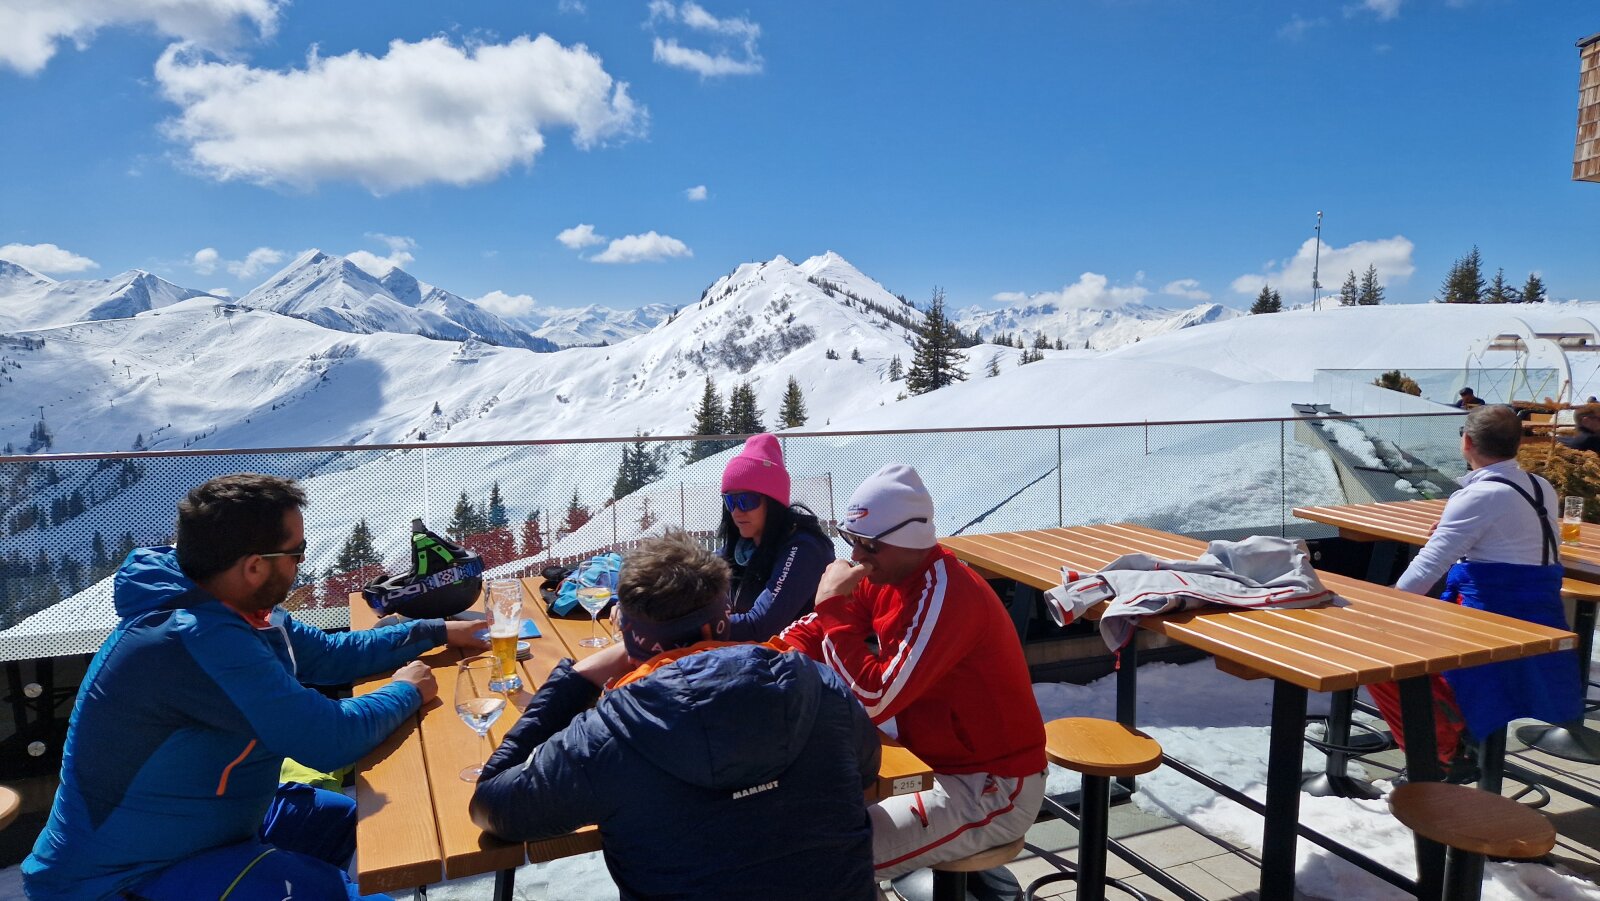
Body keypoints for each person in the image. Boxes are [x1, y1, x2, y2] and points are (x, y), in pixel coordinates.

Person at [23, 473, 487, 901]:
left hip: (211, 828)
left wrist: (435, 631)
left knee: (364, 819)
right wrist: (407, 689)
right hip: (123, 876)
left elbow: (327, 655)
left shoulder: (228, 604)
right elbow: (328, 740)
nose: (301, 566)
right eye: (297, 554)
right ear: (253, 568)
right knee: (328, 889)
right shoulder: (196, 638)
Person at [471, 528, 880, 901]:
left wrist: (578, 678)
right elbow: (866, 768)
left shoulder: (608, 735)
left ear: (630, 639)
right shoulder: (816, 686)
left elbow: (492, 806)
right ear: (720, 623)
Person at [779, 464, 1047, 880]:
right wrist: (765, 662)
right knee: (795, 822)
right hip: (928, 763)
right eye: (851, 541)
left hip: (991, 786)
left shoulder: (946, 594)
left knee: (829, 858)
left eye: (868, 545)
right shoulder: (887, 574)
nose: (857, 557)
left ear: (909, 538)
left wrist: (830, 608)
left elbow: (875, 698)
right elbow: (820, 630)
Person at [1368, 405, 1580, 780]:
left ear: (1466, 443)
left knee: (1377, 659)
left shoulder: (1478, 497)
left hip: (1491, 620)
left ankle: (1440, 752)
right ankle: (1454, 732)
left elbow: (1427, 568)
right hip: (1540, 614)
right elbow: (1512, 540)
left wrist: (1384, 606)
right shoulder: (1539, 486)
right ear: (1517, 444)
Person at [717, 433, 835, 640]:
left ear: (773, 503)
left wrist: (696, 628)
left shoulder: (804, 548)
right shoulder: (743, 547)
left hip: (804, 664)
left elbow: (761, 626)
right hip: (766, 661)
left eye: (747, 500)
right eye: (730, 501)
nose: (736, 511)